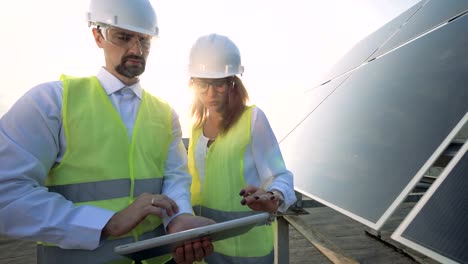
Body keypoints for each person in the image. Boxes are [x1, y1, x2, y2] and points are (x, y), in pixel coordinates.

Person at [0, 0, 215, 263]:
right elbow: (7, 194)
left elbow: (175, 178)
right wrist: (105, 223)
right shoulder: (50, 103)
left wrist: (178, 218)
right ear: (98, 35)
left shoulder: (164, 113)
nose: (136, 49)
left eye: (144, 40)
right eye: (123, 37)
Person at [186, 33, 297, 263]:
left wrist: (273, 196)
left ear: (233, 84)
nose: (210, 93)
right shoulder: (196, 129)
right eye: (202, 84)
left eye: (219, 84)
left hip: (249, 253)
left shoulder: (253, 119)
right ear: (193, 83)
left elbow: (281, 176)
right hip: (206, 250)